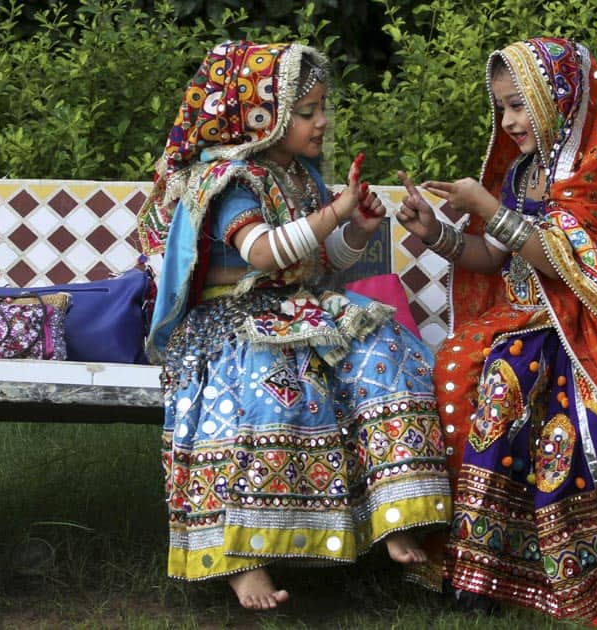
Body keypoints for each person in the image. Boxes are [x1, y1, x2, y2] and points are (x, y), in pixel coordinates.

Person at [394, 37, 597, 623]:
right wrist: (437, 232)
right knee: (462, 371)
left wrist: (490, 210)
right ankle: (478, 567)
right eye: (501, 108)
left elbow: (565, 261)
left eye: (520, 104)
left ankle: (586, 567)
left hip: (596, 327)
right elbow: (493, 258)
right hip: (524, 323)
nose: (510, 120)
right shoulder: (521, 174)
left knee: (577, 419)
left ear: (561, 98)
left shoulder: (595, 174)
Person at [136, 40, 451, 611]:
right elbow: (263, 253)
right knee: (272, 388)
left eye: (322, 107)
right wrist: (334, 211)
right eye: (306, 112)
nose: (321, 121)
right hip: (232, 323)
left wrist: (353, 229)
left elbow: (322, 262)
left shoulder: (299, 176)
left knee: (388, 353)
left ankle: (393, 509)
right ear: (260, 116)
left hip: (299, 312)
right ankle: (242, 556)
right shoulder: (229, 181)